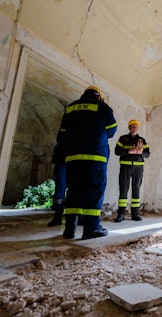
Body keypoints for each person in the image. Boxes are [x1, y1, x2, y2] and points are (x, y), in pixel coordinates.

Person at [59, 86, 117, 240]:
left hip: (73, 158)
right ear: (99, 96)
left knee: (73, 191)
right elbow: (111, 130)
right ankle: (91, 228)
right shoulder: (103, 107)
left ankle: (69, 229)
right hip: (95, 157)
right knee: (94, 190)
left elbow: (62, 133)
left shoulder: (70, 108)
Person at [114, 119, 150, 222]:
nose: (134, 128)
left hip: (138, 169)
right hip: (125, 168)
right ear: (129, 128)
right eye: (132, 126)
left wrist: (140, 152)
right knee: (123, 190)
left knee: (136, 190)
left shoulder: (142, 140)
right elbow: (117, 151)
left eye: (136, 127)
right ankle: (121, 214)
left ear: (138, 128)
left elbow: (148, 154)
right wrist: (130, 151)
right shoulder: (123, 139)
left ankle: (135, 214)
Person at [47, 129, 66, 227]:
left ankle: (58, 217)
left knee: (61, 189)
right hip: (64, 159)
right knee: (60, 189)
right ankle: (58, 216)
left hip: (64, 159)